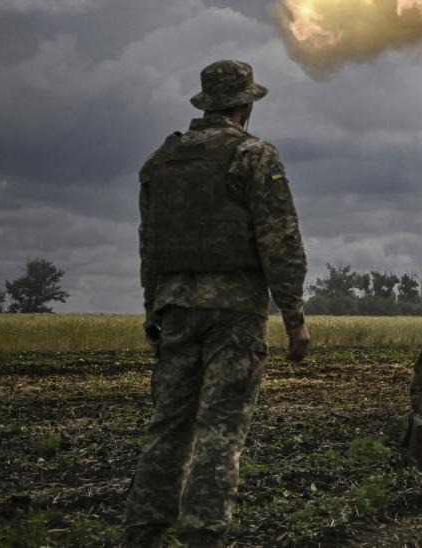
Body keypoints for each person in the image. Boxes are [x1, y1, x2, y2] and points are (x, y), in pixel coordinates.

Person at [123, 60, 311, 548]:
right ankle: (203, 535)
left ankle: (142, 532)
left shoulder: (158, 162)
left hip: (174, 310)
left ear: (206, 103)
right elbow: (280, 241)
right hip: (234, 311)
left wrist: (152, 313)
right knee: (219, 428)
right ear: (245, 104)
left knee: (168, 425)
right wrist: (294, 318)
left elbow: (151, 247)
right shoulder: (253, 155)